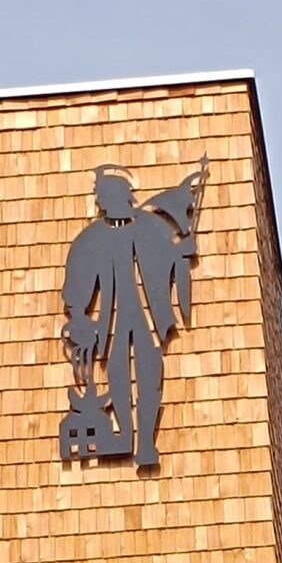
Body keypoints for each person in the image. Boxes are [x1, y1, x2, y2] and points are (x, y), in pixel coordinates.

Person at [60, 159, 207, 467]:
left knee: (149, 376)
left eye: (105, 194)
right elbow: (78, 279)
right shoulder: (92, 238)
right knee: (118, 379)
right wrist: (78, 314)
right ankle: (125, 433)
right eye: (100, 196)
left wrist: (183, 252)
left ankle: (145, 443)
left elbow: (170, 256)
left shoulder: (150, 226)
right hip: (111, 322)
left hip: (146, 318)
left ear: (120, 195)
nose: (101, 201)